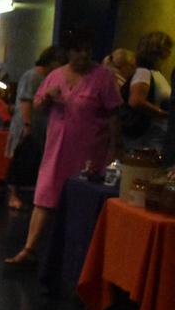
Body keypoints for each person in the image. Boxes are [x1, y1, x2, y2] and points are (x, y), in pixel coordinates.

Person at [6, 29, 121, 267]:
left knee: (81, 204)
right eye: (79, 50)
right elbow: (38, 105)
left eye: (88, 50)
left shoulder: (103, 77)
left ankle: (79, 260)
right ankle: (29, 249)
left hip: (89, 153)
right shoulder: (55, 76)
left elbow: (113, 115)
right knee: (44, 198)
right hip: (56, 149)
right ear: (68, 52)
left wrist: (114, 149)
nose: (84, 55)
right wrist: (47, 97)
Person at [4, 46, 66, 210]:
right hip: (27, 124)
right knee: (20, 159)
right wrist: (27, 124)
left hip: (39, 126)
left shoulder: (49, 78)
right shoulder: (33, 76)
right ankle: (13, 195)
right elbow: (25, 101)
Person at [121, 31, 172, 152]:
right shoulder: (144, 73)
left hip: (154, 134)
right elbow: (136, 101)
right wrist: (163, 114)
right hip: (146, 136)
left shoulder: (154, 73)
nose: (169, 53)